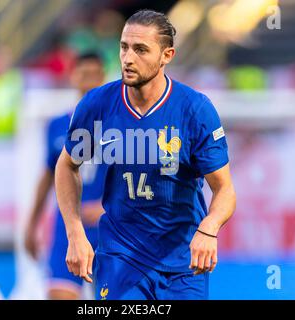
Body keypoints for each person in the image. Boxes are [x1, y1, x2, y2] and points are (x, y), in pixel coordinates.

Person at [55, 10, 236, 300]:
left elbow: (224, 189)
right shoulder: (97, 105)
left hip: (182, 262)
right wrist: (74, 231)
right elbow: (67, 166)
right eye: (124, 47)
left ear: (167, 55)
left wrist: (209, 228)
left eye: (140, 50)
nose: (127, 58)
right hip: (120, 257)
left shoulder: (194, 110)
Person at [25, 52, 106, 299]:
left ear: (104, 78)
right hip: (68, 228)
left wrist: (109, 207)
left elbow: (135, 178)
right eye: (84, 75)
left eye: (95, 76)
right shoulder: (58, 125)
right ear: (73, 77)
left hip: (109, 227)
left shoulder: (121, 126)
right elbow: (48, 175)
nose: (90, 82)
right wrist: (32, 223)